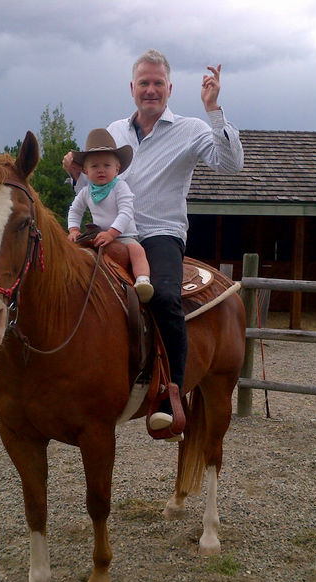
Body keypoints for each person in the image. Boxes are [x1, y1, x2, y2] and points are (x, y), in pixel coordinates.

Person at [63, 49, 244, 437]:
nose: (150, 90)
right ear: (132, 88)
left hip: (159, 233)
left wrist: (214, 109)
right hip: (109, 231)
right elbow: (97, 188)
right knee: (62, 283)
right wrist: (77, 176)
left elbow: (231, 164)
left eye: (157, 83)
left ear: (169, 88)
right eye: (144, 83)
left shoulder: (192, 129)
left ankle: (169, 394)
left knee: (163, 296)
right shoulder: (112, 132)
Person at [67, 128, 154, 302]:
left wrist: (112, 233)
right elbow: (75, 210)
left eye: (106, 165)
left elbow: (126, 212)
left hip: (123, 235)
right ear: (85, 171)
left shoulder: (119, 187)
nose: (101, 170)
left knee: (136, 250)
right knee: (78, 252)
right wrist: (74, 230)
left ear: (117, 169)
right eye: (94, 166)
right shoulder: (86, 191)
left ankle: (142, 280)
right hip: (99, 235)